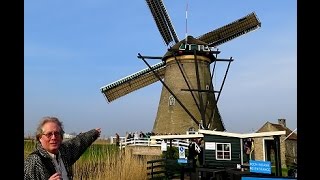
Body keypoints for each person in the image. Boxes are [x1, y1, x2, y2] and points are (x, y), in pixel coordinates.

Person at [24, 116, 101, 180]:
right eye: (49, 134)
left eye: (57, 133)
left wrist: (93, 133)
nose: (53, 137)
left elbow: (78, 143)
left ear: (61, 137)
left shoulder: (63, 152)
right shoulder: (34, 161)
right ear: (40, 138)